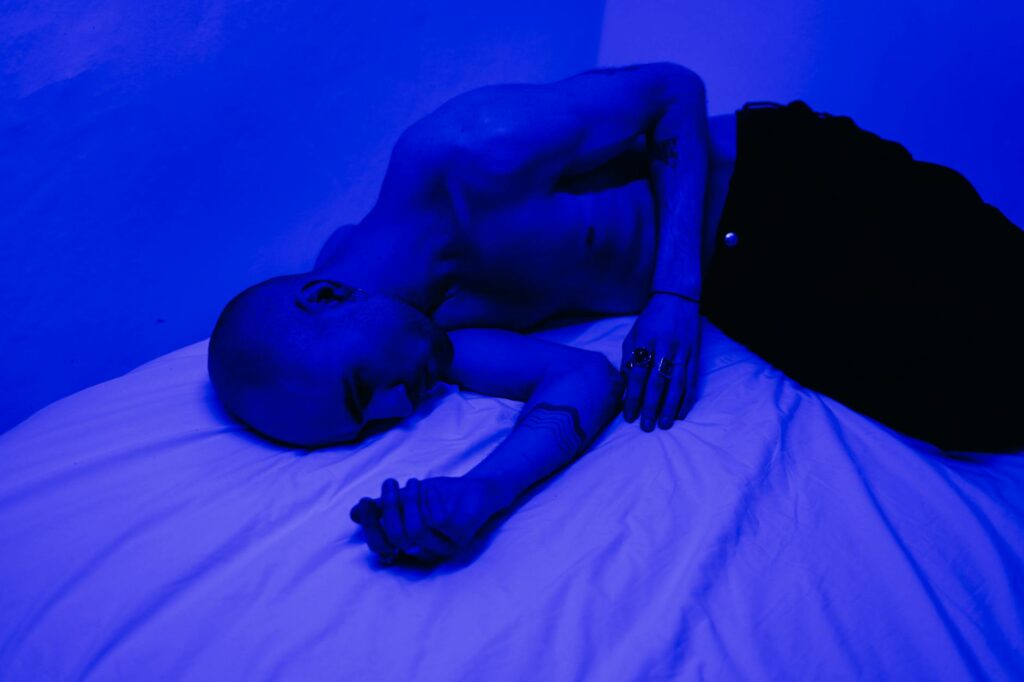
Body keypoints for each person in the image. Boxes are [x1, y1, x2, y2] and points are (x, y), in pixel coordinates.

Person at [207, 62, 1023, 565]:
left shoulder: (462, 155)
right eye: (367, 425)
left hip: (786, 180)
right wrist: (480, 494)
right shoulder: (418, 332)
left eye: (363, 390)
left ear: (325, 296)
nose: (396, 409)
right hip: (741, 279)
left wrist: (674, 296)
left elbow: (672, 91)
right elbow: (579, 378)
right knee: (972, 411)